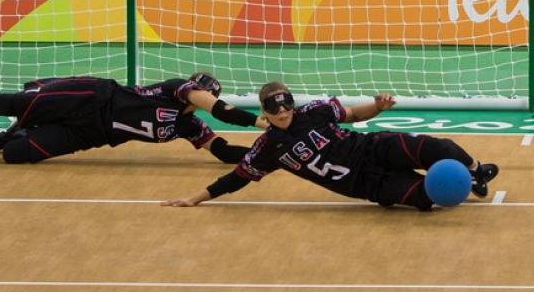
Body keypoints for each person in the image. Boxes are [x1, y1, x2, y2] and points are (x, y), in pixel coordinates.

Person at [162, 81, 498, 211]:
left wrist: (377, 107)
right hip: (363, 184)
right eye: (274, 108)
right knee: (427, 198)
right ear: (264, 111)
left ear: (292, 104)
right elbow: (237, 177)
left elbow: (352, 114)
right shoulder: (267, 148)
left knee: (441, 147)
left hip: (372, 149)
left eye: (286, 105)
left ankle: (474, 172)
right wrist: (196, 198)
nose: (282, 112)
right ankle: (461, 183)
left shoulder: (314, 112)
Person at [0, 73, 267, 164]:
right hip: (92, 98)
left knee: (13, 156)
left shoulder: (191, 125)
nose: (206, 100)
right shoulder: (176, 88)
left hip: (92, 133)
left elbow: (220, 150)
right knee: (3, 101)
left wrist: (267, 157)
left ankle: (20, 130)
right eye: (206, 94)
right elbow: (223, 111)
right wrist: (257, 122)